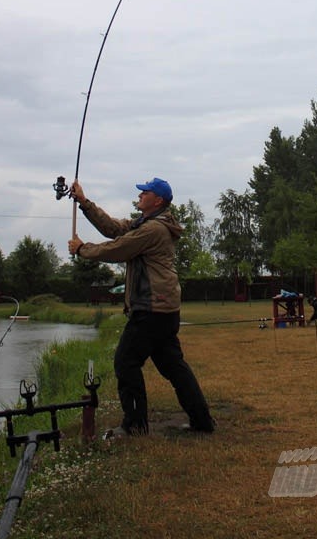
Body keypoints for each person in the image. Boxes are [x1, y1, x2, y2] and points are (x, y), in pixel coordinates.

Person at [68, 177, 215, 438]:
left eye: (144, 192)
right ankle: (202, 421)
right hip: (162, 309)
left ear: (157, 200)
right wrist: (84, 202)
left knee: (126, 362)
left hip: (151, 309)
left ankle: (135, 425)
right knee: (174, 366)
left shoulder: (153, 230)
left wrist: (82, 249)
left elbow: (119, 249)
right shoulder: (145, 224)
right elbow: (112, 228)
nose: (140, 195)